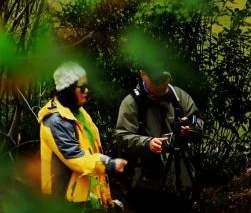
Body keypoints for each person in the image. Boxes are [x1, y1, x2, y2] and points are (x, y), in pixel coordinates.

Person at [114, 68, 201, 213]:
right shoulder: (132, 103)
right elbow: (122, 137)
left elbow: (198, 122)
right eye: (156, 80)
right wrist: (147, 142)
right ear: (143, 75)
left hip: (181, 178)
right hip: (148, 183)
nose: (161, 84)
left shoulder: (178, 96)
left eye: (164, 79)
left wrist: (190, 128)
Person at [39, 62, 127, 205]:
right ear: (67, 89)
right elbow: (76, 158)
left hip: (86, 199)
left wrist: (104, 196)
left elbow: (92, 151)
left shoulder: (78, 112)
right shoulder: (55, 120)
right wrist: (108, 163)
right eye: (81, 87)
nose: (87, 90)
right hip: (65, 202)